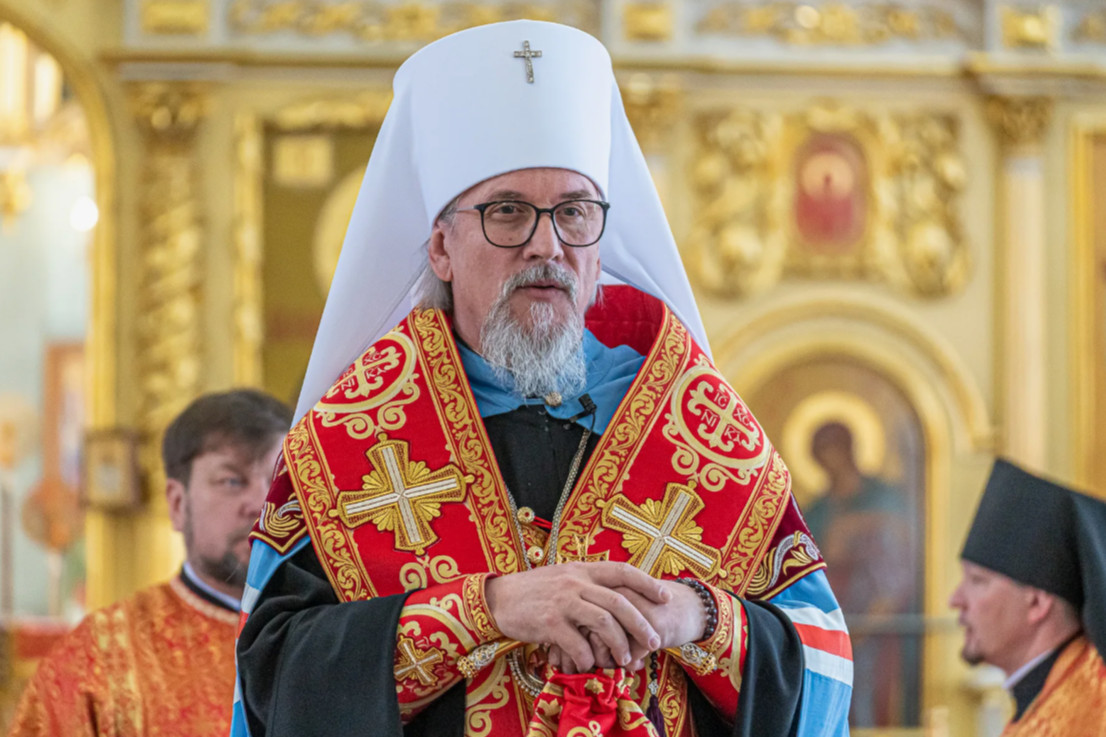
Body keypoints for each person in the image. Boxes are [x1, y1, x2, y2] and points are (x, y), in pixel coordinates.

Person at [232, 20, 852, 737]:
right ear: (441, 246)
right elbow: (277, 682)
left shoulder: (697, 424)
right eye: (508, 212)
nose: (547, 245)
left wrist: (696, 615)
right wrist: (490, 608)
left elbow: (826, 665)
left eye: (574, 212)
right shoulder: (348, 440)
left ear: (599, 243)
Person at [9, 389, 292, 737]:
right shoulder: (96, 661)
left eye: (279, 481)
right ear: (177, 503)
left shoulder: (333, 633)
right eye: (232, 481)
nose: (262, 503)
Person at [949, 458, 1106, 735]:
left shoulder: (1086, 717)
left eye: (977, 581)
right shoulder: (1052, 697)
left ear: (1037, 603)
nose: (955, 600)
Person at [804, 422, 918, 726]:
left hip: (882, 613)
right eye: (822, 454)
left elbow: (903, 541)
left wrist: (856, 526)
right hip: (837, 617)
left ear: (849, 448)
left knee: (880, 693)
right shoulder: (818, 510)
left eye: (834, 449)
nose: (831, 460)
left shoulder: (884, 497)